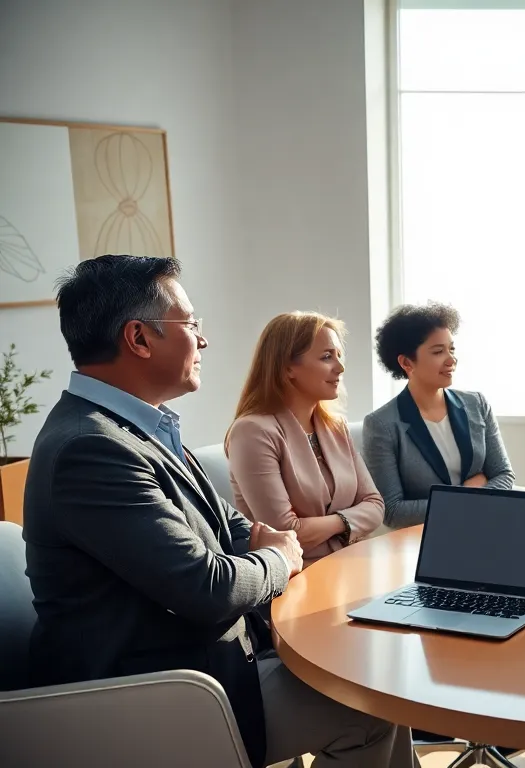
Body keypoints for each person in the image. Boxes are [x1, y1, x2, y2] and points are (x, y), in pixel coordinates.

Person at [22, 255, 417, 768]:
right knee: (372, 705)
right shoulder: (90, 448)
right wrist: (280, 557)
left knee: (375, 674)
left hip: (207, 659)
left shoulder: (140, 428)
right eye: (190, 325)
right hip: (158, 694)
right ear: (139, 339)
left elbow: (232, 527)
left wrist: (270, 545)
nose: (203, 340)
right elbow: (208, 588)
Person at [225, 312, 384, 565]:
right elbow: (285, 534)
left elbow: (375, 506)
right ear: (288, 368)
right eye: (326, 357)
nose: (340, 368)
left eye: (339, 356)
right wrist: (350, 522)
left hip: (351, 566)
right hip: (296, 580)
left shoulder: (336, 427)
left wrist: (335, 523)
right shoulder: (252, 432)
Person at [363, 302, 515, 529]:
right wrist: (466, 495)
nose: (451, 359)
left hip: (485, 525)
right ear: (406, 362)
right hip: (425, 536)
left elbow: (504, 475)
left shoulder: (477, 404)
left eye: (451, 349)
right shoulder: (382, 425)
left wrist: (457, 501)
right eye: (438, 351)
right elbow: (393, 511)